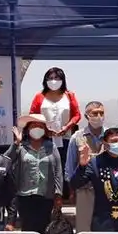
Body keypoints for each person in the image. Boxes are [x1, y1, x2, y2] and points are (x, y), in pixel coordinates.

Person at [7, 114, 63, 234]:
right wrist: (16, 143)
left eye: (40, 126)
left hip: (46, 195)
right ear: (27, 129)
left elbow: (58, 170)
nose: (36, 129)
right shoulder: (22, 147)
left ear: (44, 130)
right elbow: (7, 160)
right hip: (25, 195)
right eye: (33, 126)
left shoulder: (51, 147)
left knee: (43, 229)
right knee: (28, 229)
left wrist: (58, 194)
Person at [65, 101, 106, 234]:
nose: (98, 116)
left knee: (106, 225)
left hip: (108, 189)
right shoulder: (77, 137)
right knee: (84, 225)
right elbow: (69, 166)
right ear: (87, 115)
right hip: (85, 188)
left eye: (101, 112)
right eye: (94, 113)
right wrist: (71, 189)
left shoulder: (110, 136)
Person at [29, 67, 81, 197]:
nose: (53, 81)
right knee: (47, 167)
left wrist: (67, 127)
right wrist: (45, 128)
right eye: (50, 78)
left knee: (64, 167)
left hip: (65, 138)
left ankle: (63, 199)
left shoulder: (69, 95)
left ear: (62, 80)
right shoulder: (39, 96)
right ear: (45, 80)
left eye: (57, 78)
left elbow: (77, 115)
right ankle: (46, 197)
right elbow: (32, 115)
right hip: (45, 138)